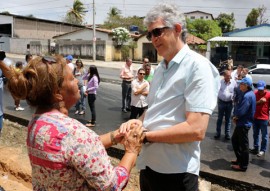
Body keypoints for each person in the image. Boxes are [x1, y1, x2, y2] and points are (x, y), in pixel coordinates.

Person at [0, 51, 145, 190]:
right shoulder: (75, 133)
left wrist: (114, 136)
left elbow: (76, 150)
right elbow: (111, 185)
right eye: (71, 79)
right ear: (57, 93)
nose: (77, 81)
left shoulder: (37, 122)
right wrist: (131, 151)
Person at [120, 3, 220, 190]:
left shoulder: (197, 67)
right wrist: (136, 123)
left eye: (157, 32)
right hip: (149, 166)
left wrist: (146, 137)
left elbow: (196, 129)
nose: (153, 39)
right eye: (150, 35)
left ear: (177, 29)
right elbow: (153, 110)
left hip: (176, 173)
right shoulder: (160, 70)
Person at [231, 77, 256, 172]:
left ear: (246, 86)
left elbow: (242, 111)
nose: (239, 85)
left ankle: (243, 165)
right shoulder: (248, 94)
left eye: (241, 84)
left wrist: (235, 117)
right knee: (235, 140)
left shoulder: (247, 96)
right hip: (242, 123)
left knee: (244, 145)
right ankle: (240, 159)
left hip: (243, 123)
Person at [215, 70, 237, 140]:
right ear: (224, 76)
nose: (229, 77)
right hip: (221, 102)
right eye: (227, 76)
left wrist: (234, 98)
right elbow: (216, 90)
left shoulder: (233, 82)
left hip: (229, 103)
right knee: (220, 119)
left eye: (230, 76)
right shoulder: (220, 82)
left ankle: (227, 134)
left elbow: (236, 91)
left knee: (228, 119)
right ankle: (218, 133)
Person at [249, 80, 269, 157]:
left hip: (264, 118)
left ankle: (262, 150)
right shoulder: (255, 94)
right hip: (255, 117)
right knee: (255, 134)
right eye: (259, 89)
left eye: (262, 89)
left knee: (264, 136)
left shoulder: (268, 95)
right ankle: (256, 148)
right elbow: (251, 104)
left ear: (265, 87)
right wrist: (259, 102)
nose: (260, 91)